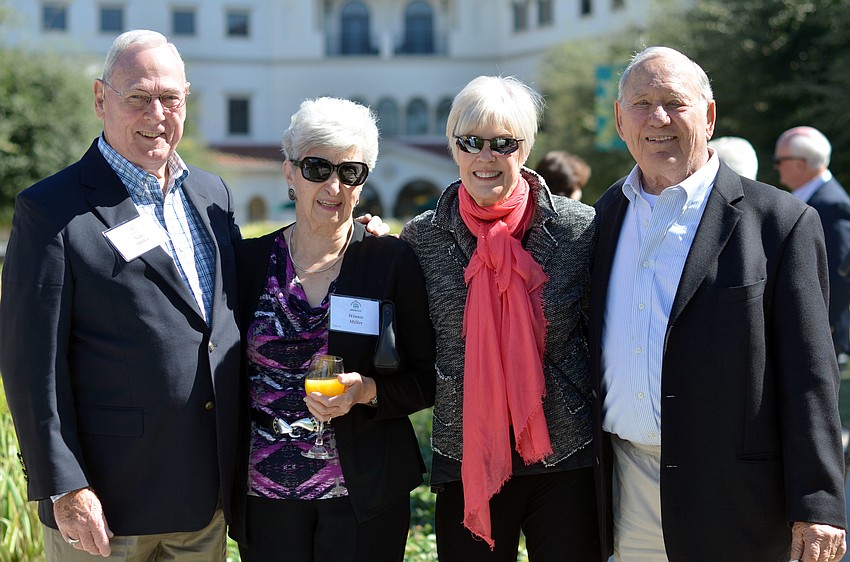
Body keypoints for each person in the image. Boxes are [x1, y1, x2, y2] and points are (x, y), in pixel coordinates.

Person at [589, 46, 847, 561]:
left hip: (733, 497)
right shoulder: (602, 217)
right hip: (622, 488)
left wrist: (818, 502)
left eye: (674, 102)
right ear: (620, 120)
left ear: (708, 116)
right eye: (640, 103)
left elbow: (810, 375)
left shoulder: (780, 223)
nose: (657, 117)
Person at [0, 29, 242, 560]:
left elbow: (235, 303)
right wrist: (64, 487)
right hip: (104, 508)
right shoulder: (50, 211)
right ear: (100, 99)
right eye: (138, 98)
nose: (157, 113)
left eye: (170, 98)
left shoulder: (212, 195)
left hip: (203, 499)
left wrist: (351, 243)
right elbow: (29, 364)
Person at [228, 96, 436, 562]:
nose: (334, 186)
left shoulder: (389, 261)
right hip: (264, 498)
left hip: (364, 496)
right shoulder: (247, 264)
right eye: (317, 168)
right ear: (289, 174)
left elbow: (426, 378)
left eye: (351, 172)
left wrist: (364, 391)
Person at [401, 75, 600, 561]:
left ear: (526, 147)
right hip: (467, 454)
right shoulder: (421, 240)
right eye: (471, 142)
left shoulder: (579, 229)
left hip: (564, 453)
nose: (485, 157)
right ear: (453, 148)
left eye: (502, 143)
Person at [774, 126, 850, 364]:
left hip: (821, 332)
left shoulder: (832, 205)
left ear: (800, 163)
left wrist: (825, 326)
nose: (776, 166)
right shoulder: (812, 198)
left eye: (779, 160)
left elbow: (840, 274)